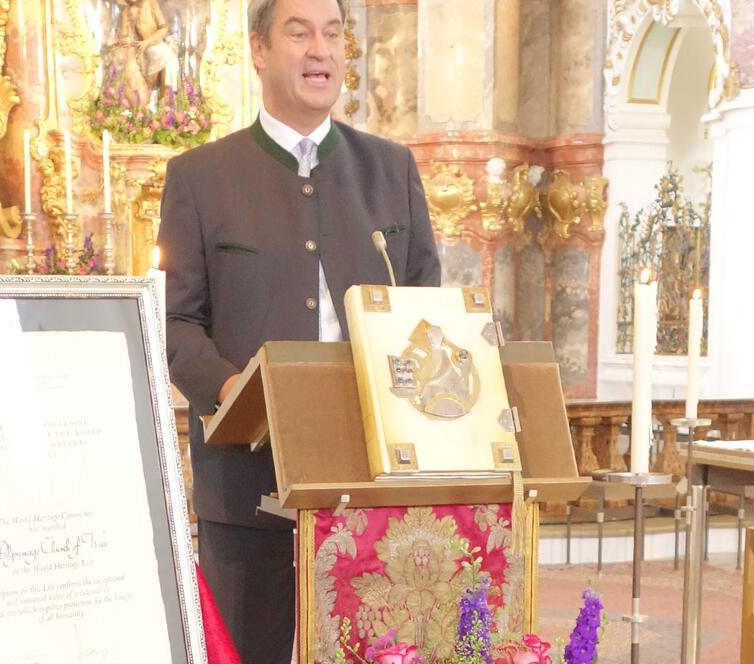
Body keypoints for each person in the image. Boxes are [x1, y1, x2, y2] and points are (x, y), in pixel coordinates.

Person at [157, 0, 440, 661]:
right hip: (245, 486)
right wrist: (231, 389)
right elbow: (174, 320)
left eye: (333, 34)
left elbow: (425, 312)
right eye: (300, 32)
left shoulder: (392, 170)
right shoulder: (200, 177)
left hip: (371, 482)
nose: (321, 50)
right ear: (258, 50)